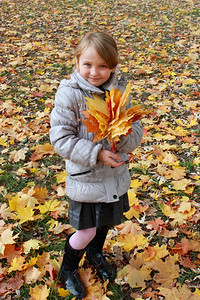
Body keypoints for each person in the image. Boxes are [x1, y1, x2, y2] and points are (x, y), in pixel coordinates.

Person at [49, 32, 143, 298]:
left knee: (106, 223)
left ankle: (94, 254)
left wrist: (124, 135)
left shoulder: (120, 90)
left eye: (103, 66)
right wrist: (96, 154)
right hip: (87, 178)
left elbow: (135, 128)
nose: (95, 72)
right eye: (88, 64)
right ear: (77, 61)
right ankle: (68, 269)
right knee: (87, 229)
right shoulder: (70, 95)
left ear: (113, 66)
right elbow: (61, 138)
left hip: (114, 175)